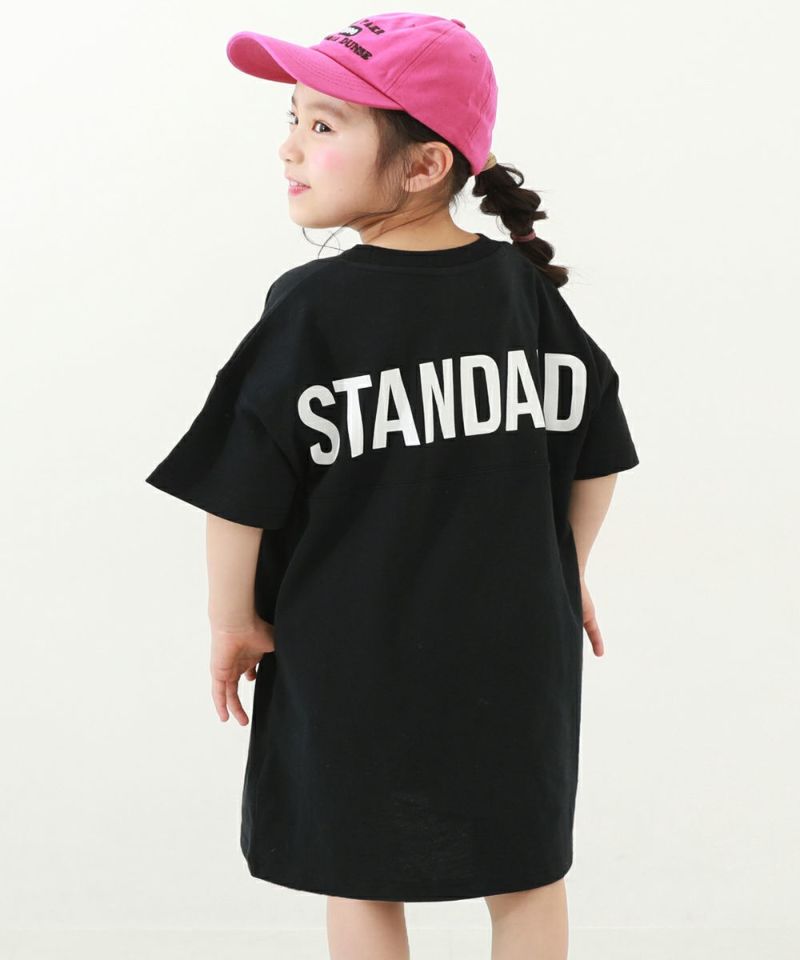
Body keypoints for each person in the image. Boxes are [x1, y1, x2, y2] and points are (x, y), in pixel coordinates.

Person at [144, 12, 640, 960]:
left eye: (324, 124)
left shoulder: (313, 305)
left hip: (351, 653)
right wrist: (562, 567)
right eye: (293, 119)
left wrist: (232, 620)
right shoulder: (522, 290)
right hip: (515, 651)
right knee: (525, 869)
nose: (290, 146)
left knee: (361, 871)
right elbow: (599, 453)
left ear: (423, 165)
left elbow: (239, 490)